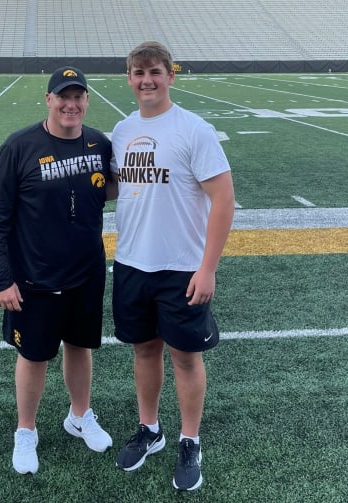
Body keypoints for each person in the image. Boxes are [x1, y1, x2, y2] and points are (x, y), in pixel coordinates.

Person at [110, 41, 235, 491]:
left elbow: (224, 198)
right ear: (129, 78)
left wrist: (208, 268)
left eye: (155, 72)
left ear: (170, 76)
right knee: (143, 350)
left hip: (182, 267)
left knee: (185, 356)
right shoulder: (122, 132)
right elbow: (113, 188)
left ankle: (189, 439)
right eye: (139, 72)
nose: (147, 80)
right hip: (131, 264)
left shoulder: (193, 129)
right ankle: (150, 430)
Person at [0, 66, 116, 475]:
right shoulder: (18, 146)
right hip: (34, 276)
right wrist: (1, 279)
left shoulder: (98, 142)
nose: (71, 104)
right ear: (48, 100)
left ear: (87, 100)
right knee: (34, 354)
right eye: (63, 96)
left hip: (87, 270)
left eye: (78, 96)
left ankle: (79, 415)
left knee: (80, 346)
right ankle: (26, 430)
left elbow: (111, 189)